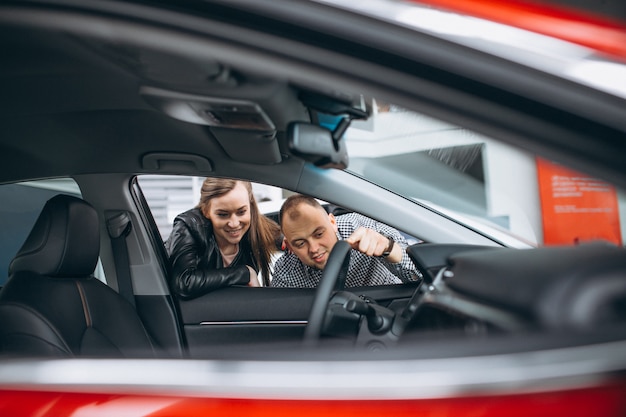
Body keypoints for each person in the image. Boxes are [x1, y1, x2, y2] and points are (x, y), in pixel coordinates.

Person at [166, 178, 281, 299]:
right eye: (223, 214)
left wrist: (293, 241)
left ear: (250, 206)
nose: (234, 223)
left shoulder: (259, 227)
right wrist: (244, 273)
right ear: (206, 211)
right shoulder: (190, 227)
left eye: (241, 212)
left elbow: (291, 238)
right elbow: (184, 283)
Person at [271, 194, 420, 288]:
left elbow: (420, 275)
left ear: (332, 222)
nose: (314, 248)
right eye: (300, 243)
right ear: (289, 245)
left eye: (319, 234)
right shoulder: (286, 271)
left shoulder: (363, 226)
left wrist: (389, 249)